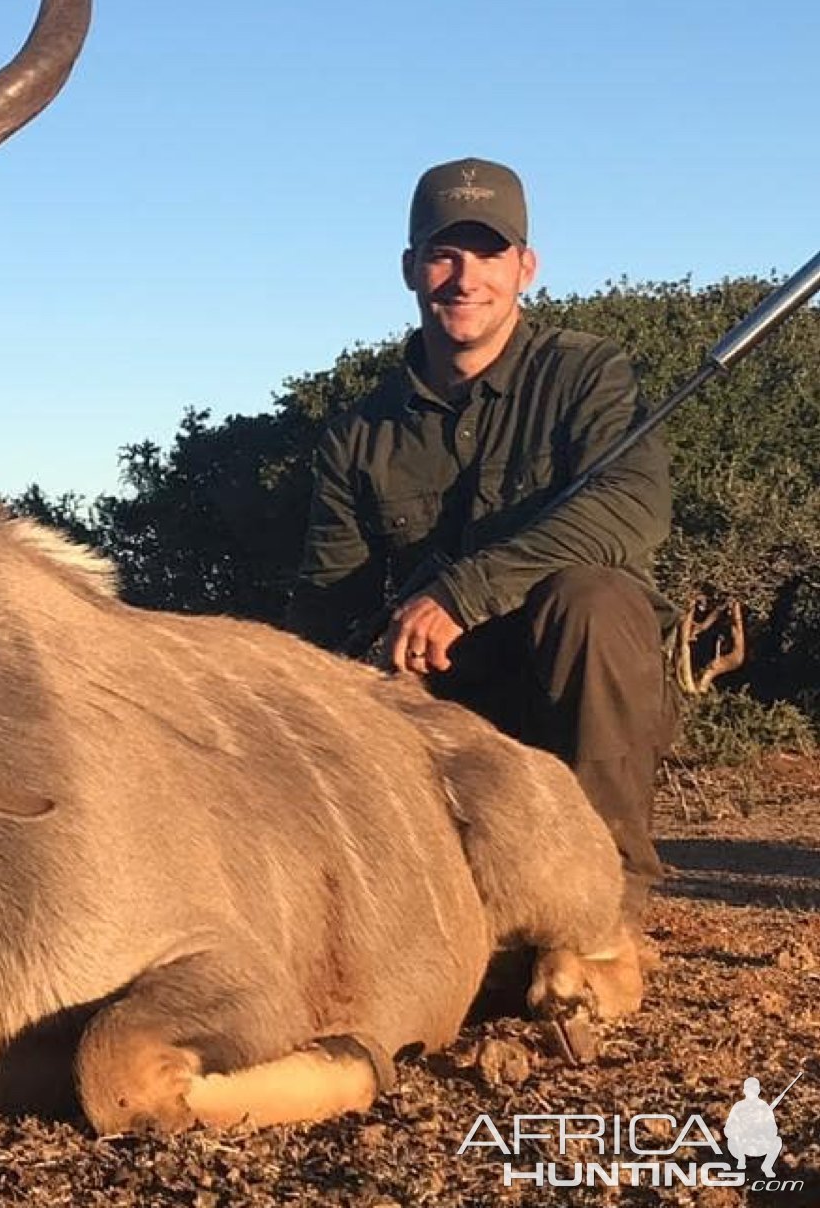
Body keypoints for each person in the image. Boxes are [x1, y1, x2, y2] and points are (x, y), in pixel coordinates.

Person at [287, 158, 676, 924]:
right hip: (438, 708)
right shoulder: (355, 435)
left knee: (594, 599)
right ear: (410, 268)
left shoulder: (586, 372)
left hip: (567, 690)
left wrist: (461, 594)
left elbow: (633, 505)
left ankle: (607, 908)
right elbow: (330, 604)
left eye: (488, 253)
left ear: (524, 267)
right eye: (443, 253)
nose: (465, 279)